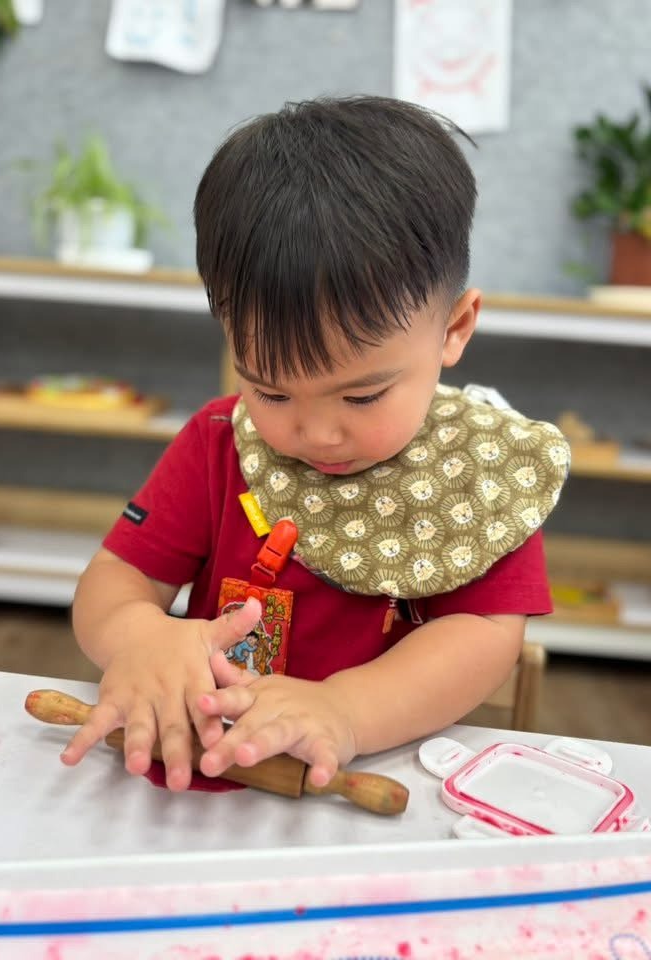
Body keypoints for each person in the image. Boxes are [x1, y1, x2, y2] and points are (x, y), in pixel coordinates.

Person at [63, 96, 569, 793]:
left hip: (370, 777)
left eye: (362, 397)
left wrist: (347, 710)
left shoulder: (482, 472)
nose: (318, 434)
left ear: (454, 329)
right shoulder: (219, 440)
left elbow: (484, 637)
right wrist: (140, 638)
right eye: (271, 392)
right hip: (207, 776)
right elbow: (115, 580)